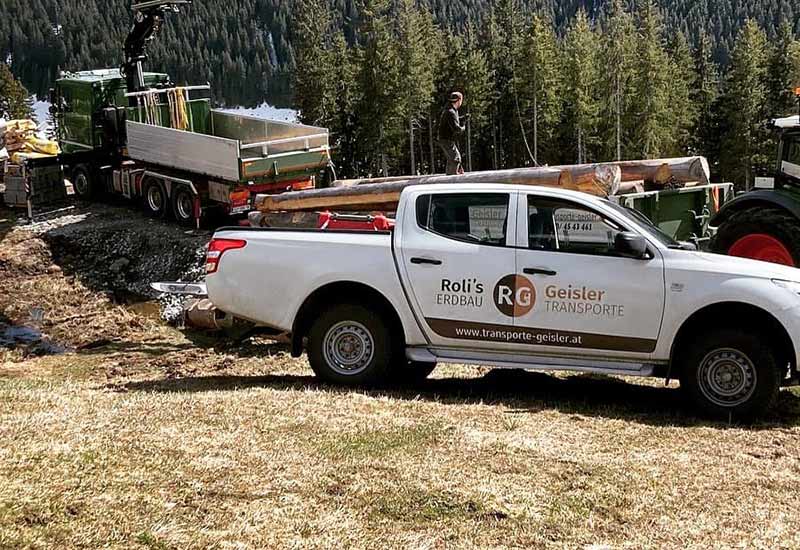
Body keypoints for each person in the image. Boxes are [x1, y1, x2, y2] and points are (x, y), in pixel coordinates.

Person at [437, 92, 467, 175]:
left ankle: (449, 176)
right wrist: (463, 127)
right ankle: (452, 177)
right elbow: (456, 128)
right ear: (459, 100)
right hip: (446, 139)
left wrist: (462, 118)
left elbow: (453, 121)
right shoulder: (451, 112)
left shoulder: (452, 110)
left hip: (446, 139)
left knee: (452, 159)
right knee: (455, 158)